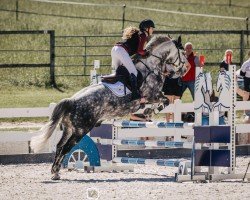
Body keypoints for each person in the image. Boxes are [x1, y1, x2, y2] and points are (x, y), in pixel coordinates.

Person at [111, 19, 155, 101]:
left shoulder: (139, 34)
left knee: (118, 73)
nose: (153, 30)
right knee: (133, 72)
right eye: (152, 28)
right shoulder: (143, 35)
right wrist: (147, 52)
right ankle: (135, 94)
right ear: (146, 28)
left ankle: (118, 94)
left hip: (115, 49)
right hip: (121, 51)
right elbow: (140, 51)